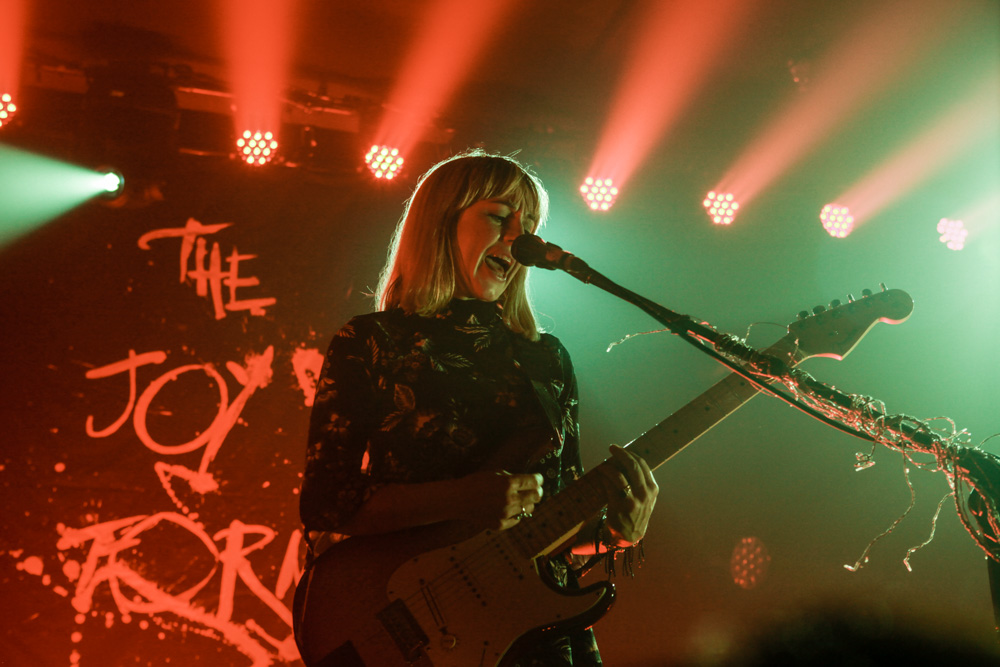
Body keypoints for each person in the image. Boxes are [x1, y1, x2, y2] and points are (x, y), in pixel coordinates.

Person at [298, 149, 658, 666]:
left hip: (538, 636)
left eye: (530, 224)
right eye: (499, 217)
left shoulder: (545, 358)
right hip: (420, 626)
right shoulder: (371, 341)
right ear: (442, 221)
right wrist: (464, 498)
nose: (521, 238)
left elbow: (556, 528)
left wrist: (617, 535)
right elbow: (325, 501)